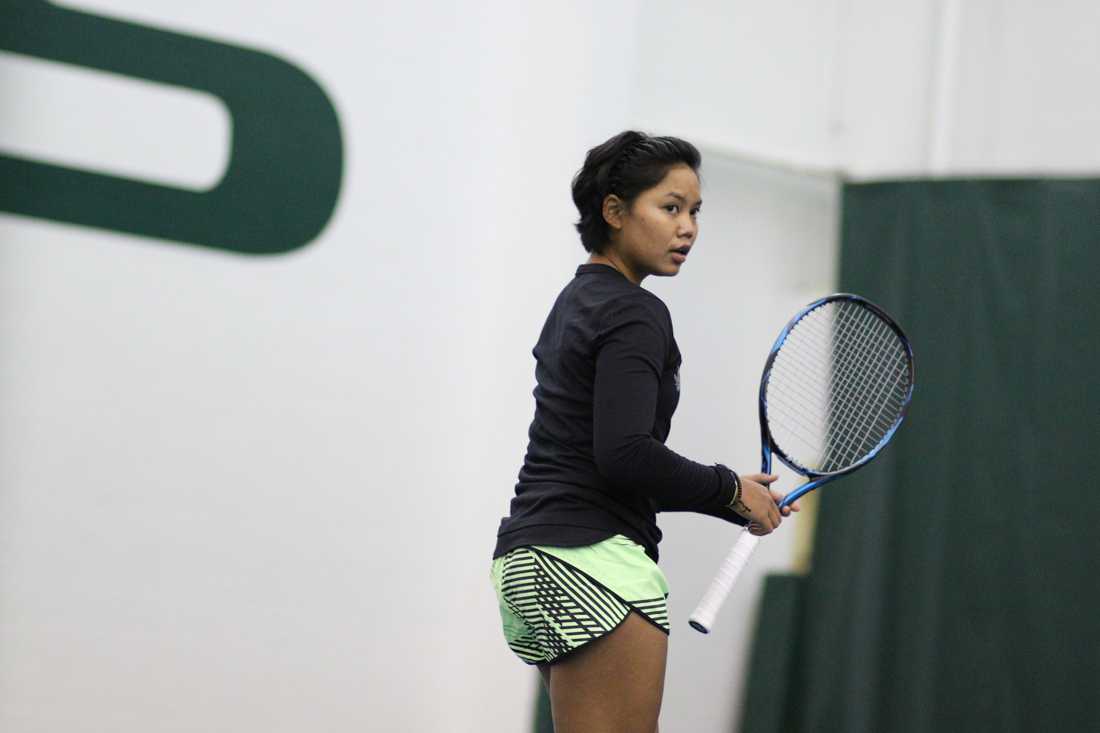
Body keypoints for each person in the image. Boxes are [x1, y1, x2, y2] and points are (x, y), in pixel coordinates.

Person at [490, 130, 799, 733]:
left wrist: (730, 497)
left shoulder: (575, 301)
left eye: (695, 211)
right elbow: (626, 454)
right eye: (670, 207)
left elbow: (607, 458)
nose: (688, 228)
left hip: (531, 561)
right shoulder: (636, 310)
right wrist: (732, 491)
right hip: (591, 566)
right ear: (614, 211)